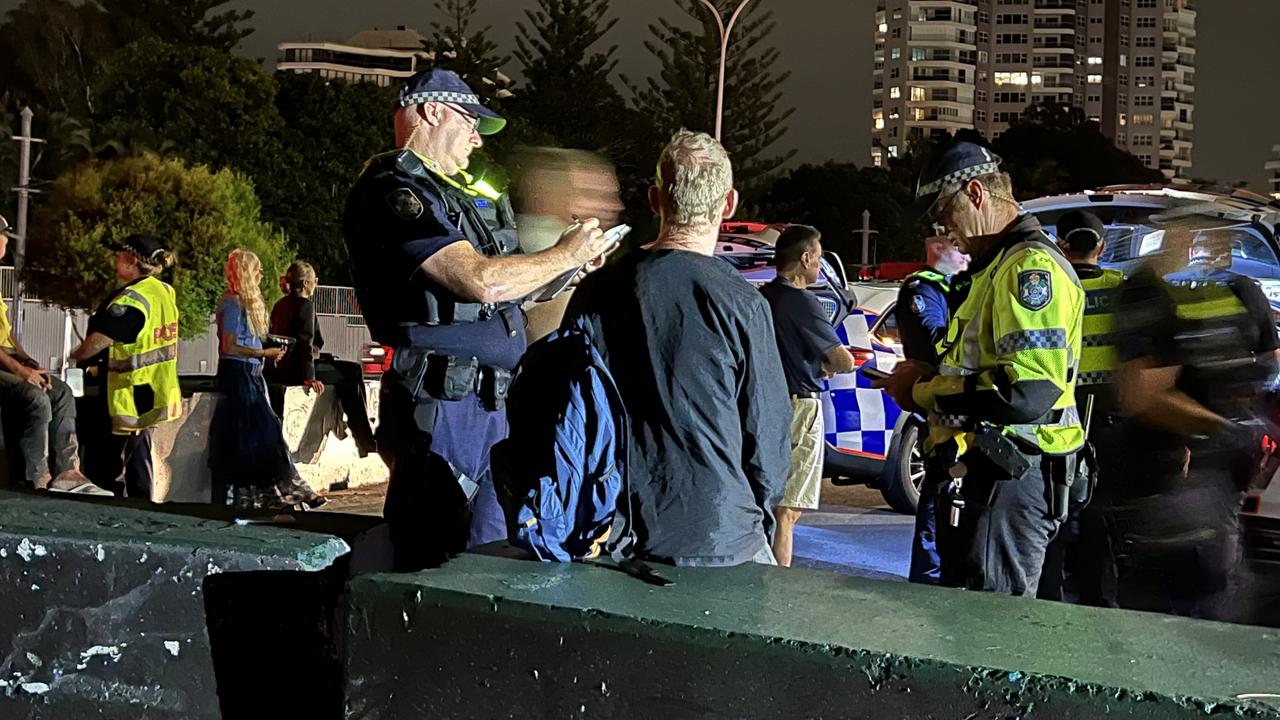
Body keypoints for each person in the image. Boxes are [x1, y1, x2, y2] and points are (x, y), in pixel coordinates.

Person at [343, 69, 614, 569]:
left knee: (492, 551)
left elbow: (506, 298)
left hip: (488, 402)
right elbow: (478, 281)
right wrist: (560, 254)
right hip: (443, 403)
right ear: (430, 111)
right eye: (469, 121)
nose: (475, 136)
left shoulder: (452, 196)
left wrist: (569, 265)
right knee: (432, 554)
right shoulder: (394, 191)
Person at [562, 129, 791, 567]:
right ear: (728, 204)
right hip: (720, 532)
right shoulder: (743, 303)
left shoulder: (597, 291)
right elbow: (768, 436)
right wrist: (752, 516)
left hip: (613, 531)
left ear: (655, 200)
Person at [877, 143, 1085, 597]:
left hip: (1008, 480)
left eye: (944, 213)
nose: (944, 230)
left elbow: (1027, 391)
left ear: (975, 193)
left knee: (990, 638)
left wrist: (924, 390)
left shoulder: (1029, 268)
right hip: (990, 480)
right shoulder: (997, 268)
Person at [1115, 227, 1277, 618]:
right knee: (1202, 579)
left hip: (1181, 461)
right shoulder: (1240, 291)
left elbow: (1139, 390)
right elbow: (1271, 363)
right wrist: (1235, 426)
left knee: (1178, 582)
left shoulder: (1156, 290)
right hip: (1196, 458)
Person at [1038, 210, 1126, 603]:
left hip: (1055, 419)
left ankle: (1049, 602)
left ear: (1062, 245)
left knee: (1052, 519)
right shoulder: (1123, 289)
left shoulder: (1053, 285)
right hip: (1109, 426)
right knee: (1099, 526)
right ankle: (1099, 607)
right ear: (1102, 247)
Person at [759, 225, 855, 567]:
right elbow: (840, 359)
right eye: (818, 256)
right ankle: (777, 584)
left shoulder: (763, 297)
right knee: (788, 510)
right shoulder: (804, 301)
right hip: (799, 406)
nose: (819, 264)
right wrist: (838, 363)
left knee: (765, 500)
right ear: (804, 258)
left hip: (763, 405)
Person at [208, 249, 325, 510]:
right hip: (239, 375)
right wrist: (264, 352)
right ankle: (294, 491)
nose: (262, 275)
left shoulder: (244, 305)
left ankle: (261, 496)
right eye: (257, 270)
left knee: (251, 439)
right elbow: (230, 347)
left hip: (250, 374)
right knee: (266, 434)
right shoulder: (232, 304)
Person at [68, 233, 182, 498]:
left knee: (108, 464)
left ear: (132, 261)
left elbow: (100, 341)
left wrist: (77, 356)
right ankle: (140, 505)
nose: (115, 261)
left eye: (119, 257)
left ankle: (116, 509)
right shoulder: (164, 290)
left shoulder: (131, 299)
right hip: (155, 387)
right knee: (137, 454)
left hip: (126, 392)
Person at [0, 214, 95, 493]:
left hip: (7, 360)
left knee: (61, 391)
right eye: (4, 236)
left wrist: (28, 361)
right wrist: (22, 371)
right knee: (35, 398)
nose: (6, 242)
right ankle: (37, 477)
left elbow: (5, 334)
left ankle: (68, 471)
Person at [896, 233, 969, 585]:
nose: (965, 256)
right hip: (943, 412)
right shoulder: (923, 289)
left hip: (963, 412)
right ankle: (928, 583)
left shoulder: (955, 286)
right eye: (958, 249)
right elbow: (936, 343)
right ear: (937, 247)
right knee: (939, 500)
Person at [511, 147, 625, 344]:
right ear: (550, 194)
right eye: (593, 195)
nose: (615, 206)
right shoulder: (544, 246)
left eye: (613, 195)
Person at [265, 260, 377, 457]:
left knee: (343, 370)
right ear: (306, 283)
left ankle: (360, 435)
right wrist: (309, 376)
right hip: (298, 369)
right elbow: (305, 343)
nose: (316, 284)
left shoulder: (280, 304)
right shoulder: (305, 305)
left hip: (283, 368)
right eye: (315, 280)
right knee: (352, 372)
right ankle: (364, 438)